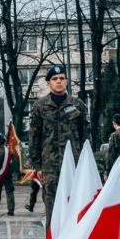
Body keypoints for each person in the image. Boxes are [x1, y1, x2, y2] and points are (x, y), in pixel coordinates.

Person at [28, 65, 86, 220]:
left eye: (61, 78)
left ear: (66, 81)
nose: (58, 81)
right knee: (52, 212)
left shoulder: (78, 105)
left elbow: (85, 136)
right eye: (54, 79)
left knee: (75, 210)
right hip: (50, 167)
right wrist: (37, 165)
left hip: (73, 164)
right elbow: (34, 136)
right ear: (48, 83)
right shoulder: (40, 106)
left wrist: (85, 162)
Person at [0, 138, 15, 216]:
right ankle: (11, 210)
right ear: (4, 143)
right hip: (8, 174)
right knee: (10, 192)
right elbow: (12, 162)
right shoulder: (9, 151)